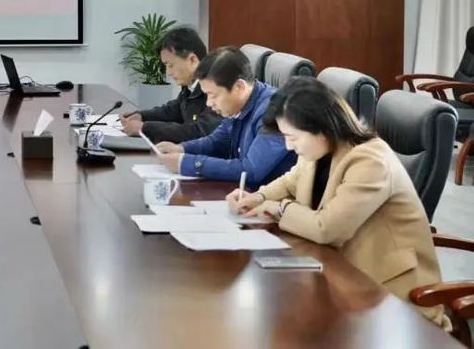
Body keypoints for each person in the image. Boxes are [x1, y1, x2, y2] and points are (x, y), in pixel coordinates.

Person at [229, 78, 449, 331]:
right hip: (341, 274)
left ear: (322, 129)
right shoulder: (321, 148)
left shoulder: (370, 160)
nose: (289, 146)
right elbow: (291, 181)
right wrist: (257, 197)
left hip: (390, 294)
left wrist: (280, 209)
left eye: (293, 137)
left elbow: (328, 228)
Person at [153, 46, 295, 186]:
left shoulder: (273, 111)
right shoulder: (238, 106)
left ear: (239, 87)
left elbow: (251, 171)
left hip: (271, 197)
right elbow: (217, 141)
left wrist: (187, 163)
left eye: (213, 95)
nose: (209, 103)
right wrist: (182, 149)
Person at [119, 26, 222, 143]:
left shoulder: (217, 87)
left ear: (193, 60)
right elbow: (173, 110)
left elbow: (199, 132)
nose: (168, 72)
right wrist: (142, 116)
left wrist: (145, 128)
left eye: (170, 65)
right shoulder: (190, 86)